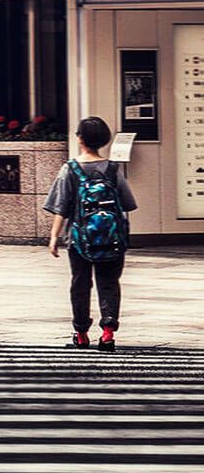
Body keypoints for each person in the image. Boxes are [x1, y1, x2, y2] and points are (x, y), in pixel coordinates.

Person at [45, 117, 137, 351]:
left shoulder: (70, 169)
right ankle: (107, 333)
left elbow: (61, 206)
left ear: (80, 139)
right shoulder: (113, 169)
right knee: (109, 283)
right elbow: (127, 203)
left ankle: (82, 333)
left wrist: (54, 236)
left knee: (80, 284)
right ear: (104, 140)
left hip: (78, 239)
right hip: (112, 239)